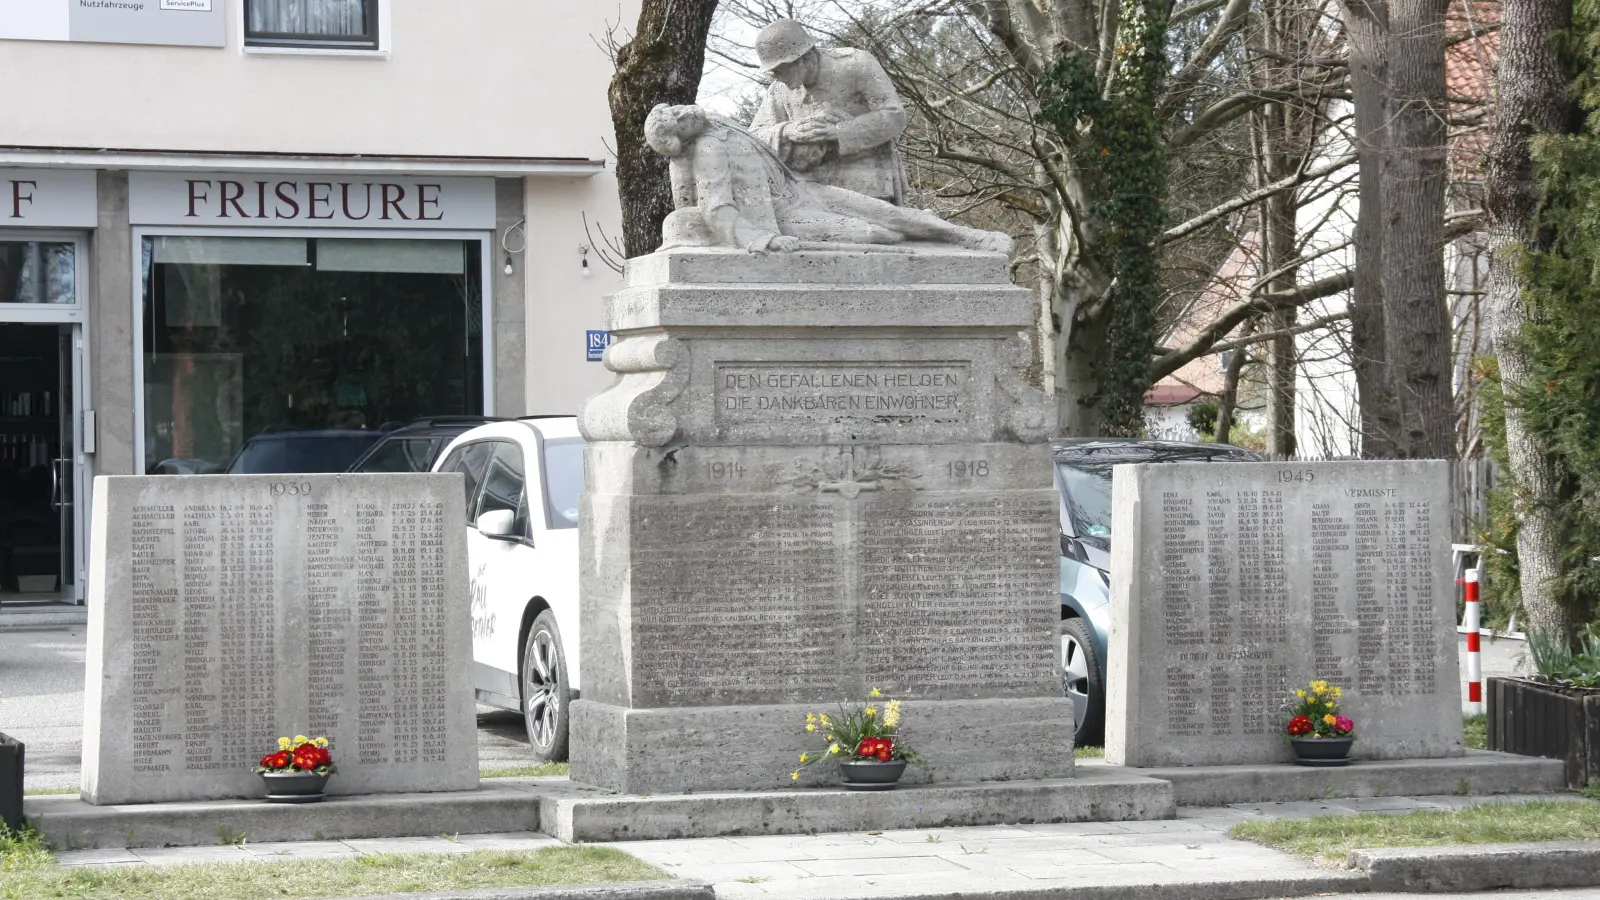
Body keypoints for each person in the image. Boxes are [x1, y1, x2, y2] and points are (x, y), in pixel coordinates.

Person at [644, 104, 1011, 254]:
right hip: (781, 217)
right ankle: (925, 244)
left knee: (883, 211)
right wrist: (762, 239)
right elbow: (716, 208)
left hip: (803, 192)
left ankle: (965, 236)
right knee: (875, 234)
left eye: (677, 110)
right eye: (680, 121)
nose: (685, 112)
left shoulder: (721, 122)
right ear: (684, 137)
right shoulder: (708, 148)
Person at [748, 19, 909, 205]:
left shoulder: (856, 63)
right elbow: (753, 138)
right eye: (773, 72)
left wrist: (839, 132)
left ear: (805, 58)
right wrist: (786, 131)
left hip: (868, 180)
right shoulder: (779, 90)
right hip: (812, 188)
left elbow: (894, 115)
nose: (777, 78)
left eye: (780, 70)